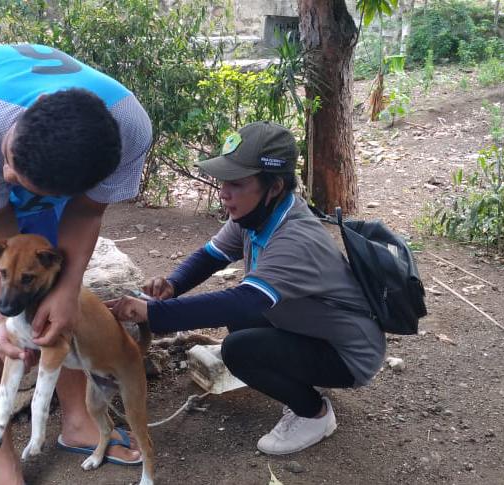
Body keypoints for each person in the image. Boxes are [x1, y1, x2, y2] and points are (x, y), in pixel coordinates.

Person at [0, 44, 152, 485]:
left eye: (23, 184)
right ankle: (1, 457)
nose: (8, 181)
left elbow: (86, 212)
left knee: (55, 299)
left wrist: (64, 290)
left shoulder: (129, 129)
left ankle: (78, 422)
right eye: (12, 164)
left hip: (42, 167)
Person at [108, 121, 386, 455]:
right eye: (224, 181)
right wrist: (172, 285)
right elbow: (211, 256)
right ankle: (304, 376)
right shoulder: (258, 216)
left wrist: (154, 313)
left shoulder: (295, 237)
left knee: (239, 350)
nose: (224, 193)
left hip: (349, 355)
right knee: (241, 325)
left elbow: (244, 301)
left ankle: (314, 413)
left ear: (274, 187)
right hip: (316, 330)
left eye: (237, 183)